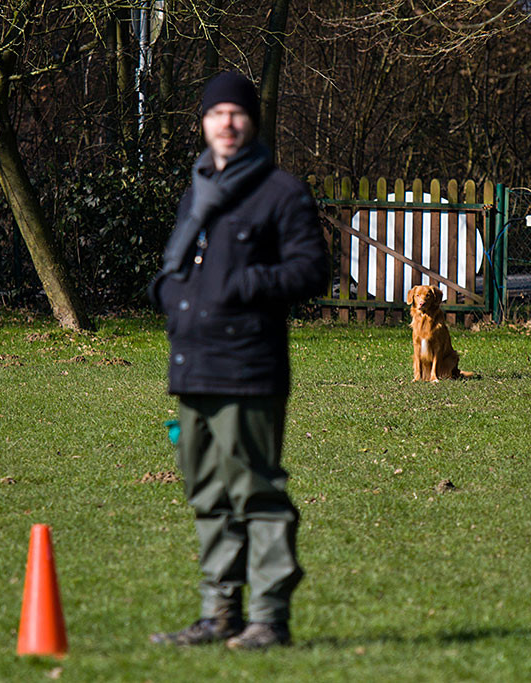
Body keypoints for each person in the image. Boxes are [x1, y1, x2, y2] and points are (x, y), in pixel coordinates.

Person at [147, 71, 328, 650]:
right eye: (216, 113)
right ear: (203, 123)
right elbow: (182, 266)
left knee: (256, 491)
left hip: (249, 368)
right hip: (193, 365)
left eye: (237, 113)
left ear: (253, 122)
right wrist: (168, 293)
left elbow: (312, 271)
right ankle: (218, 614)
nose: (226, 122)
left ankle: (269, 619)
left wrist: (243, 285)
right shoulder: (198, 188)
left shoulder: (281, 193)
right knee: (207, 493)